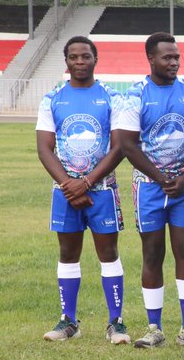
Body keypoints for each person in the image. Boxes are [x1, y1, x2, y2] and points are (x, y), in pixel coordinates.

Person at [37, 36, 129, 344]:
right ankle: (68, 321)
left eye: (85, 56)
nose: (79, 61)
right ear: (66, 61)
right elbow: (44, 147)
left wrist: (86, 183)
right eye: (74, 57)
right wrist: (69, 185)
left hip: (102, 189)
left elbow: (119, 147)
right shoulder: (52, 99)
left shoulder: (111, 97)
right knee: (68, 253)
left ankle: (116, 322)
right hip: (65, 192)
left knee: (109, 253)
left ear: (95, 59)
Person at [117, 32, 184, 349]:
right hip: (150, 188)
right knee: (152, 254)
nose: (174, 62)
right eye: (167, 57)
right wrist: (161, 177)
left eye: (177, 57)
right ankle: (154, 327)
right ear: (151, 58)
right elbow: (127, 143)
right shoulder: (135, 94)